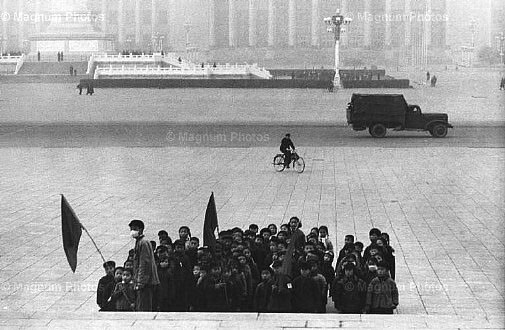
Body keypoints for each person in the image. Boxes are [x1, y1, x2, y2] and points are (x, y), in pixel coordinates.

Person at [129, 219, 160, 311]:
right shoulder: (139, 242)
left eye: (134, 229)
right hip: (143, 281)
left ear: (141, 229)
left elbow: (144, 264)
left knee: (144, 308)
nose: (132, 232)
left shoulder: (143, 243)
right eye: (131, 229)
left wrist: (140, 282)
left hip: (146, 282)